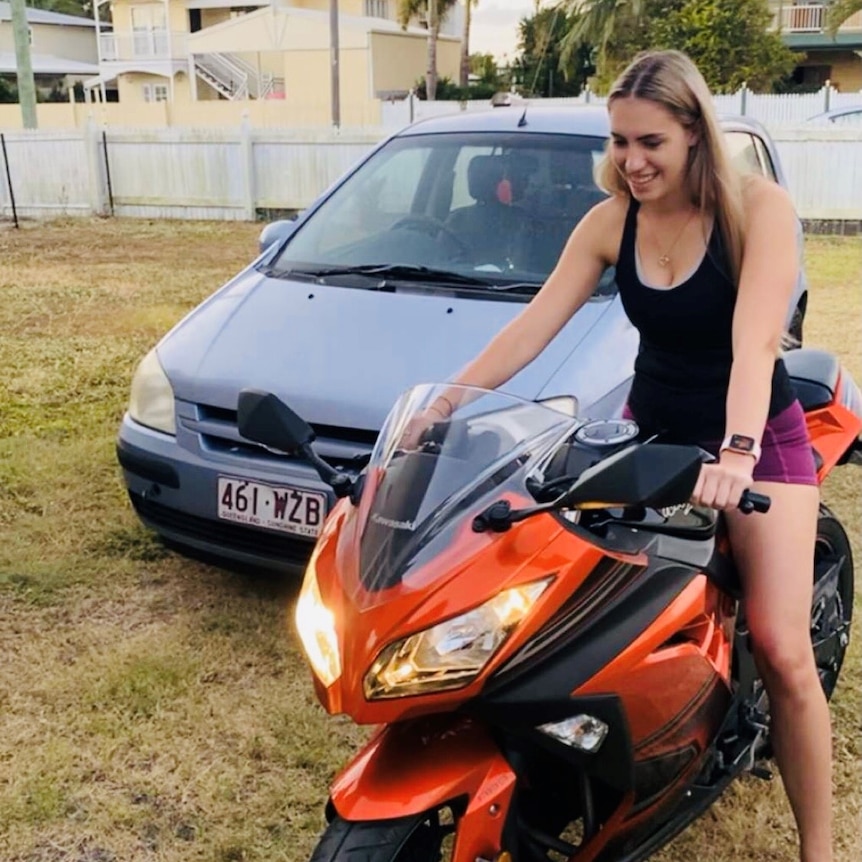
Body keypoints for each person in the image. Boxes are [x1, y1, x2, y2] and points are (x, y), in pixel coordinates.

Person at [412, 50, 832, 862]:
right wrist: (451, 397)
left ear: (695, 136)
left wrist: (738, 453)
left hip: (757, 441)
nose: (632, 163)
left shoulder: (758, 209)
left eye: (651, 144)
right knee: (596, 610)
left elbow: (753, 347)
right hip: (652, 425)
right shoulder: (610, 221)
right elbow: (535, 325)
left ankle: (820, 845)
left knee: (782, 649)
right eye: (618, 143)